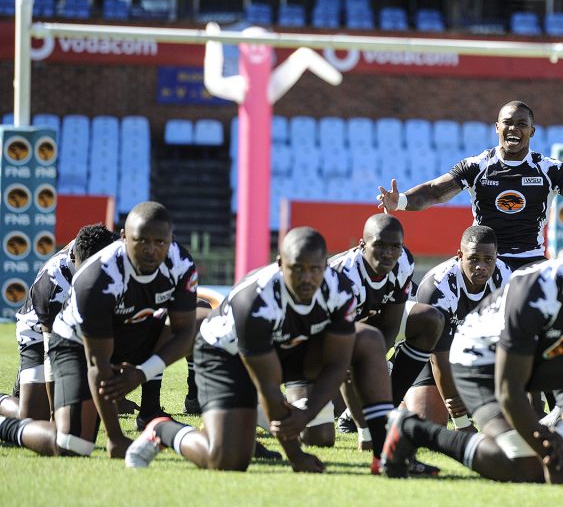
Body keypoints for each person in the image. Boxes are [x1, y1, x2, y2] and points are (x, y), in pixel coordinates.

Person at [380, 199, 563, 487]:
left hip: (542, 357)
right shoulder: (536, 290)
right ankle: (411, 429)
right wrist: (546, 454)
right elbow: (509, 387)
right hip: (479, 362)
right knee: (526, 469)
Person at [124, 227, 357, 472]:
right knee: (226, 461)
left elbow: (338, 364)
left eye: (314, 269)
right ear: (280, 264)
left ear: (326, 267)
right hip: (224, 355)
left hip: (279, 349)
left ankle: (241, 429)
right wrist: (295, 455)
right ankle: (162, 430)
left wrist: (307, 413)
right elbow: (267, 385)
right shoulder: (255, 301)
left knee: (321, 430)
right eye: (297, 268)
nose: (306, 278)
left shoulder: (340, 291)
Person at [0, 202, 197, 459]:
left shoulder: (181, 264)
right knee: (73, 445)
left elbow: (184, 332)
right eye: (141, 241)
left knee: (203, 319)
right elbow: (97, 363)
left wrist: (140, 374)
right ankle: (6, 425)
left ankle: (155, 415)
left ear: (171, 239)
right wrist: (116, 437)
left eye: (160, 242)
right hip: (74, 342)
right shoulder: (97, 279)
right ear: (124, 238)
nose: (151, 250)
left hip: (130, 326)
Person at [376, 100, 563, 271]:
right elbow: (435, 191)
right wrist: (402, 201)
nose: (514, 129)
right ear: (497, 128)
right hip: (483, 262)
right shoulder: (476, 165)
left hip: (530, 261)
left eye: (521, 124)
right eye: (508, 123)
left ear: (531, 132)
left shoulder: (549, 169)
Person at [328, 214, 443, 469]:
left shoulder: (404, 262)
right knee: (319, 437)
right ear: (362, 245)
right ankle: (363, 426)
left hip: (366, 328)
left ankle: (383, 413)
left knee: (430, 320)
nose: (389, 253)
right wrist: (367, 435)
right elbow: (345, 353)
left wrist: (380, 361)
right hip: (321, 346)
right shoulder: (343, 277)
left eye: (395, 246)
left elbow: (391, 320)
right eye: (380, 245)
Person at [0, 224, 116, 421]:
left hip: (82, 326)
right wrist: (56, 412)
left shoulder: (105, 252)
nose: (92, 277)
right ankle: (7, 398)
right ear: (73, 258)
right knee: (34, 419)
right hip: (38, 334)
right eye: (86, 269)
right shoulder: (53, 284)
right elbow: (51, 351)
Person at [403, 225, 511, 429]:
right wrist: (461, 423)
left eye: (488, 260)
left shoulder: (506, 279)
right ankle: (400, 400)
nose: (481, 266)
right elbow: (438, 360)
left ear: (496, 257)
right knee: (431, 423)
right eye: (473, 258)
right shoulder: (438, 287)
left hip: (475, 354)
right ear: (460, 254)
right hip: (429, 355)